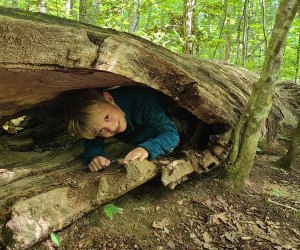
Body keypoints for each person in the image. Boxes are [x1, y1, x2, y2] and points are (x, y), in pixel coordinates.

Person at [67, 86, 180, 172]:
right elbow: (93, 139)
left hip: (171, 123)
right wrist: (95, 155)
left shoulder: (141, 101)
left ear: (109, 98)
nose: (111, 128)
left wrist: (146, 149)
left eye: (107, 117)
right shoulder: (100, 118)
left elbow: (171, 134)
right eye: (101, 130)